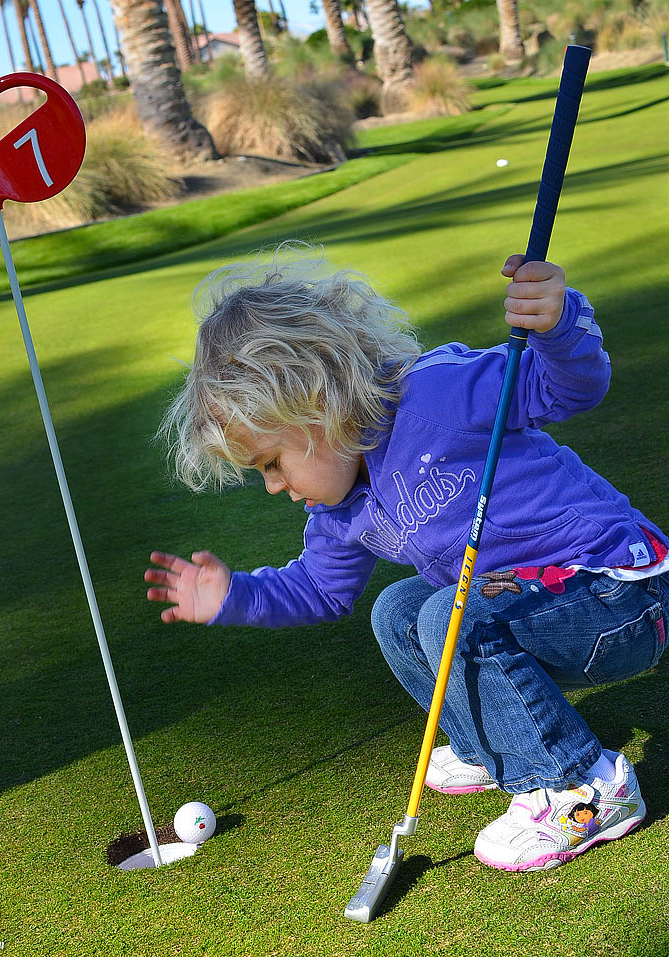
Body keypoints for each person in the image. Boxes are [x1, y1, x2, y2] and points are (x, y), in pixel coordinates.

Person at [144, 243, 669, 872]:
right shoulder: (340, 509)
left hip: (620, 594)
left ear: (318, 407)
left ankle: (583, 787)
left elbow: (569, 385)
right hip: (525, 601)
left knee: (450, 617)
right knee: (398, 609)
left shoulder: (437, 395)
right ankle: (492, 741)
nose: (275, 486)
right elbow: (318, 589)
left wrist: (557, 323)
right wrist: (234, 597)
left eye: (272, 463)